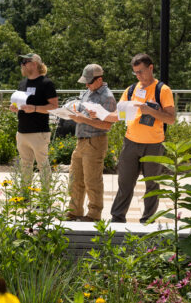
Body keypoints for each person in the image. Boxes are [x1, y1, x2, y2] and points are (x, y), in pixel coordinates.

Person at [109, 53, 176, 223]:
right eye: (135, 73)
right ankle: (117, 219)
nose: (138, 76)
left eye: (141, 71)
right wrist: (100, 115)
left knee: (152, 185)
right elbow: (119, 114)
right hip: (130, 143)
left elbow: (171, 119)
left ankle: (148, 220)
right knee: (125, 183)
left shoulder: (163, 90)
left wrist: (151, 111)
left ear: (151, 68)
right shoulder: (131, 90)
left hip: (154, 145)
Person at [66, 64, 116, 221]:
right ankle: (74, 212)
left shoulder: (107, 97)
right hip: (80, 141)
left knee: (92, 180)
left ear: (99, 79)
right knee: (75, 178)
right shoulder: (88, 92)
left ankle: (94, 215)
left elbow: (107, 125)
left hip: (95, 141)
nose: (86, 85)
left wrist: (83, 119)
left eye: (89, 82)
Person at [9, 52, 58, 187]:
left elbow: (54, 107)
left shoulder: (46, 83)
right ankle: (24, 196)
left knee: (43, 165)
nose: (22, 65)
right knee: (25, 165)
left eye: (24, 62)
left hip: (39, 131)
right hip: (22, 130)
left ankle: (45, 197)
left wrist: (35, 108)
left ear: (34, 64)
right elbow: (22, 103)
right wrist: (15, 108)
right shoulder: (22, 83)